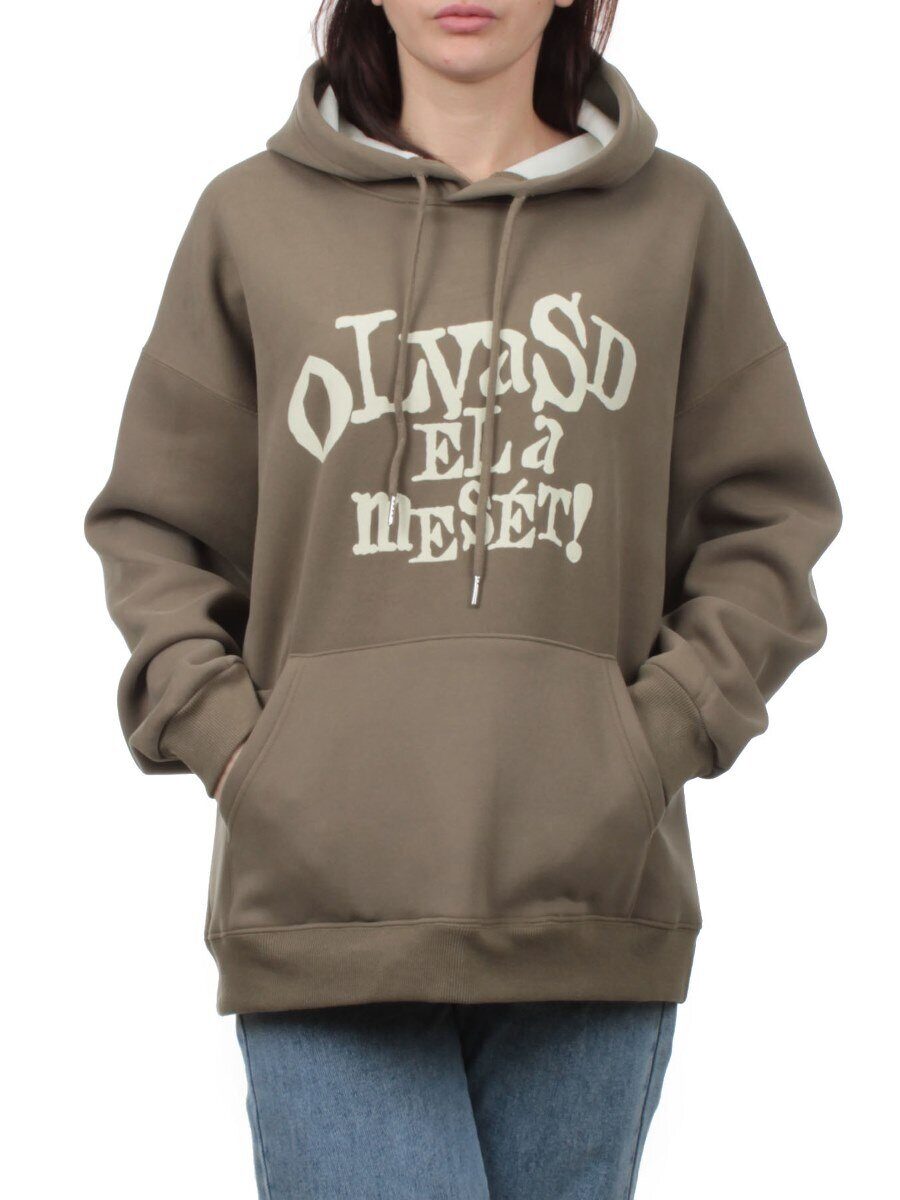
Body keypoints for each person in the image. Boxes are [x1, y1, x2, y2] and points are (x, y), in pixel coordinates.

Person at [84, 0, 842, 1196]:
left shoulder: (675, 220)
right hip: (323, 910)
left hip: (588, 905)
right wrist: (240, 750)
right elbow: (157, 529)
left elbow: (768, 521)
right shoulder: (251, 217)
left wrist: (653, 743)